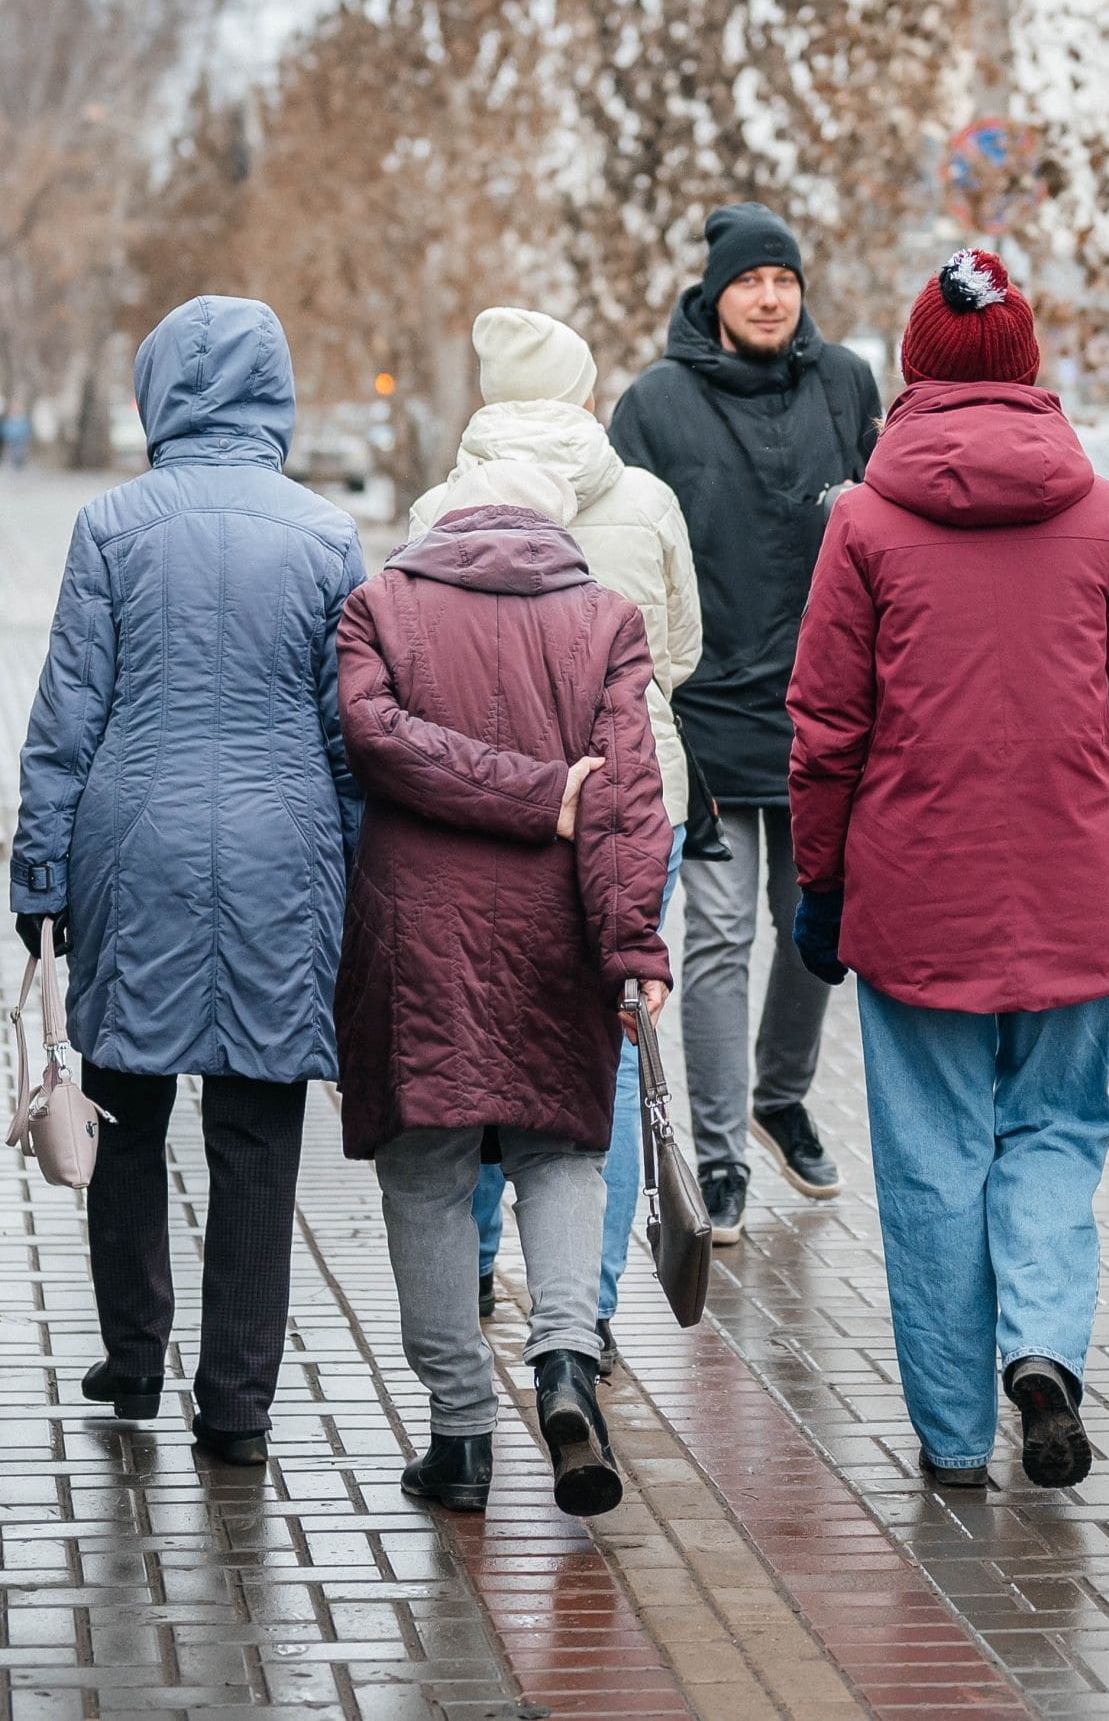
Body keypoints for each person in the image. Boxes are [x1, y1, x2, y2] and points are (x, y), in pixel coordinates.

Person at [785, 249, 1109, 1490]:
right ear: (1029, 369)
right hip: (1077, 882)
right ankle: (1046, 1350)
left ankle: (956, 1436)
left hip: (915, 893)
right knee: (1057, 1131)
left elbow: (825, 728)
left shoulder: (861, 520)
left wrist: (821, 886)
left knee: (931, 1155)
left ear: (915, 368)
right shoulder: (1102, 513)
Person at [9, 296, 365, 1468]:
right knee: (260, 1131)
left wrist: (40, 874)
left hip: (135, 848)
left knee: (123, 1106)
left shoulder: (114, 524)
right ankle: (239, 1405)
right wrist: (355, 879)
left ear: (156, 389)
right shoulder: (325, 534)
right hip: (282, 853)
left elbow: (69, 716)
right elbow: (346, 733)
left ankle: (134, 1357)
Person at [334, 460, 673, 1517]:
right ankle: (567, 1367)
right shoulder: (607, 618)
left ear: (434, 526)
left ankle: (461, 1439)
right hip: (552, 933)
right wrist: (633, 946)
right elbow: (624, 798)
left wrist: (517, 792)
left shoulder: (379, 605)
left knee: (428, 1175)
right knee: (563, 1154)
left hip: (416, 931)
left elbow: (374, 738)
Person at [408, 308, 703, 1371]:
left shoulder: (440, 507)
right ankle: (592, 1307)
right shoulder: (645, 498)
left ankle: (479, 1263)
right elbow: (678, 656)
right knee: (614, 1054)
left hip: (491, 809)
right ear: (584, 393)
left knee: (475, 1032)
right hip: (634, 802)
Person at [610, 201, 881, 1243]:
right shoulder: (657, 404)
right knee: (718, 937)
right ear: (716, 295)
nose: (770, 296)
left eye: (784, 279)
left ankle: (780, 1096)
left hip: (826, 714)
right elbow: (630, 553)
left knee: (821, 931)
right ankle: (719, 1159)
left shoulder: (846, 385)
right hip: (708, 712)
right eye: (750, 281)